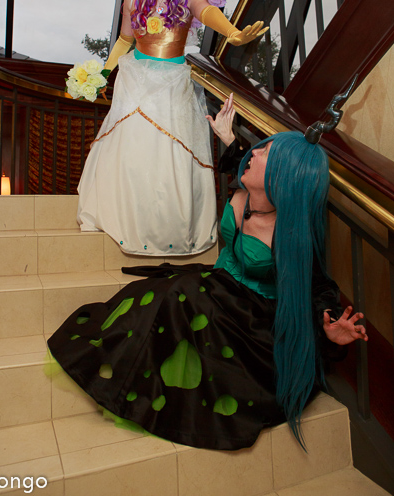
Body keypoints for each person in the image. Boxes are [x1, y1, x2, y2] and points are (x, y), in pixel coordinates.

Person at [48, 127, 367, 451]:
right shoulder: (244, 193)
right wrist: (228, 139)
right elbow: (239, 161)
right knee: (153, 295)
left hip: (250, 314)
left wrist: (329, 325)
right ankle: (128, 368)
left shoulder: (290, 232)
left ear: (283, 177)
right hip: (218, 283)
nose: (255, 152)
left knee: (182, 299)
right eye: (261, 146)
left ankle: (155, 393)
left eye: (266, 153)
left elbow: (318, 286)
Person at [76, 0, 267, 256]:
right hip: (137, 78)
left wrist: (234, 33)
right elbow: (125, 39)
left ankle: (166, 228)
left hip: (174, 82)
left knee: (171, 156)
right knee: (134, 151)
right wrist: (104, 72)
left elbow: (207, 13)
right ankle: (130, 219)